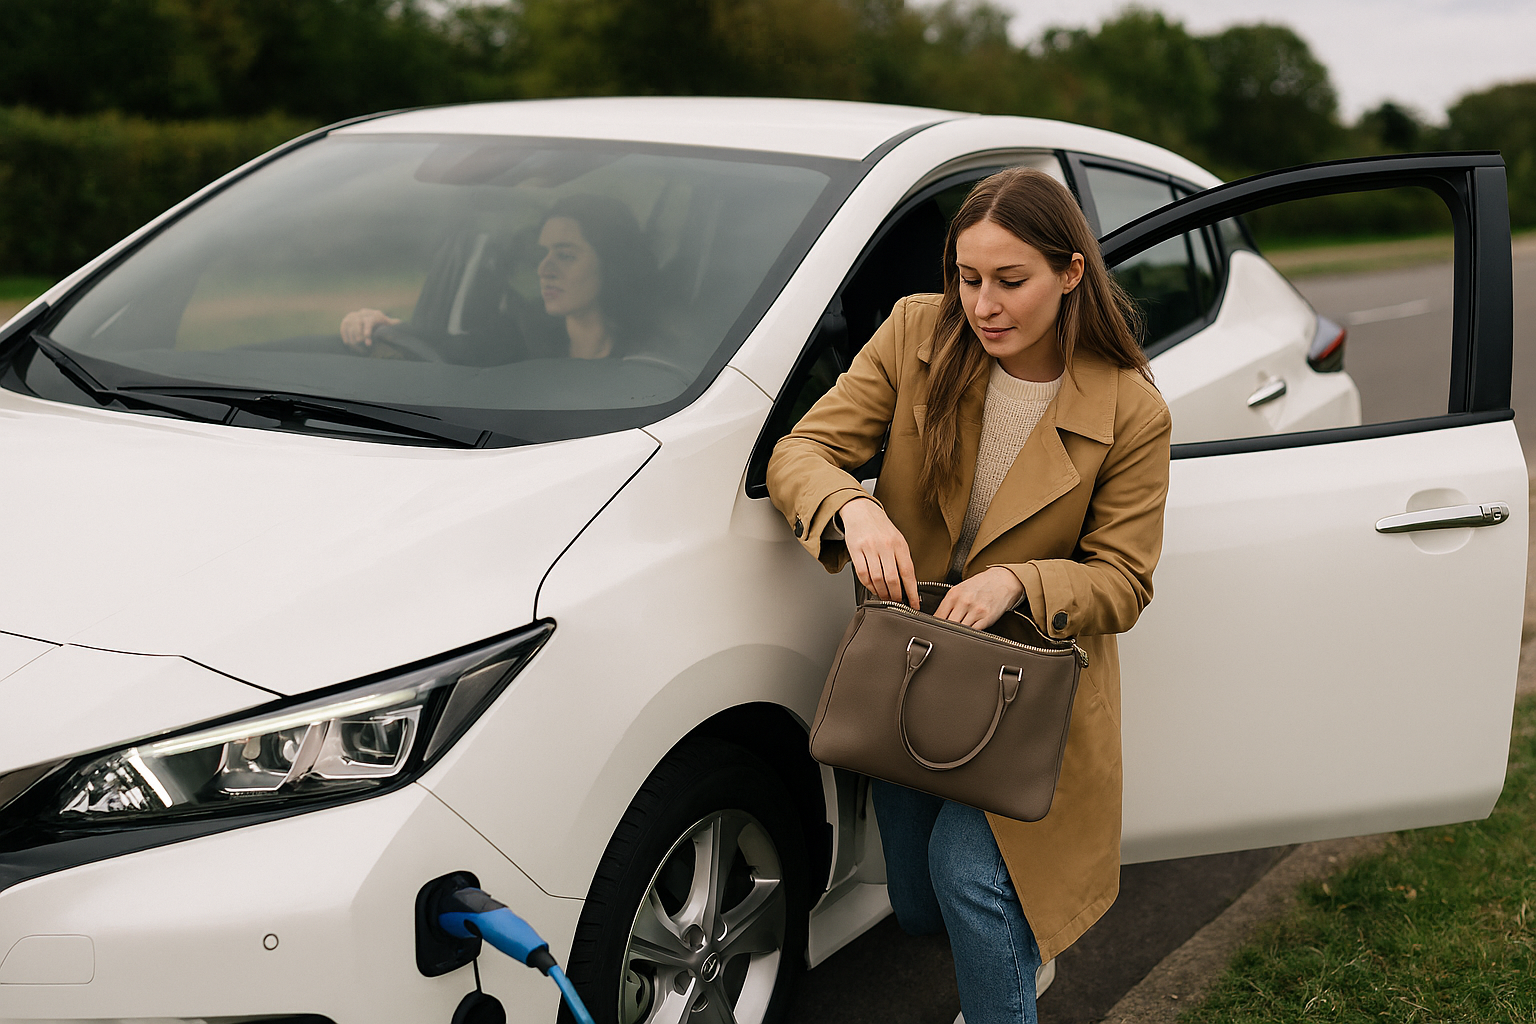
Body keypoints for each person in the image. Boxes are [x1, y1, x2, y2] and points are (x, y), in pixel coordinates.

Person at [766, 167, 1171, 1024]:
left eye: (1010, 281)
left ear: (1070, 273)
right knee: (916, 904)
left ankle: (1007, 983)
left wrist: (1018, 580)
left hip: (1032, 696)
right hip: (910, 672)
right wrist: (854, 509)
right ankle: (1017, 952)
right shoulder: (917, 331)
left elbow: (1124, 582)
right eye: (968, 276)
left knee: (969, 872)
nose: (982, 304)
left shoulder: (1132, 408)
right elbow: (801, 452)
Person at [339, 194, 657, 363]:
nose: (544, 269)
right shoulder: (518, 333)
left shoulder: (654, 356)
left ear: (613, 262)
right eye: (543, 253)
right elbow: (453, 350)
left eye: (566, 255)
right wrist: (384, 327)